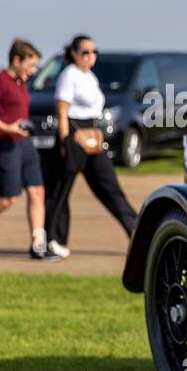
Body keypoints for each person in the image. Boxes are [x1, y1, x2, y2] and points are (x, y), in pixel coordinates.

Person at [44, 34, 138, 257]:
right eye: (85, 52)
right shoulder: (69, 75)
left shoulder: (90, 77)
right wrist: (65, 141)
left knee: (110, 186)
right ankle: (53, 239)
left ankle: (136, 231)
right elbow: (62, 109)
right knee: (61, 189)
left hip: (93, 136)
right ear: (74, 53)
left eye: (94, 52)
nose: (90, 56)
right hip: (74, 135)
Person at [0, 39, 56, 259]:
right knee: (9, 197)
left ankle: (38, 244)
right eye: (31, 64)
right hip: (4, 144)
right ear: (17, 60)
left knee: (37, 190)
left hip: (25, 143)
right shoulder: (0, 81)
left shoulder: (21, 82)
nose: (34, 69)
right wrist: (8, 128)